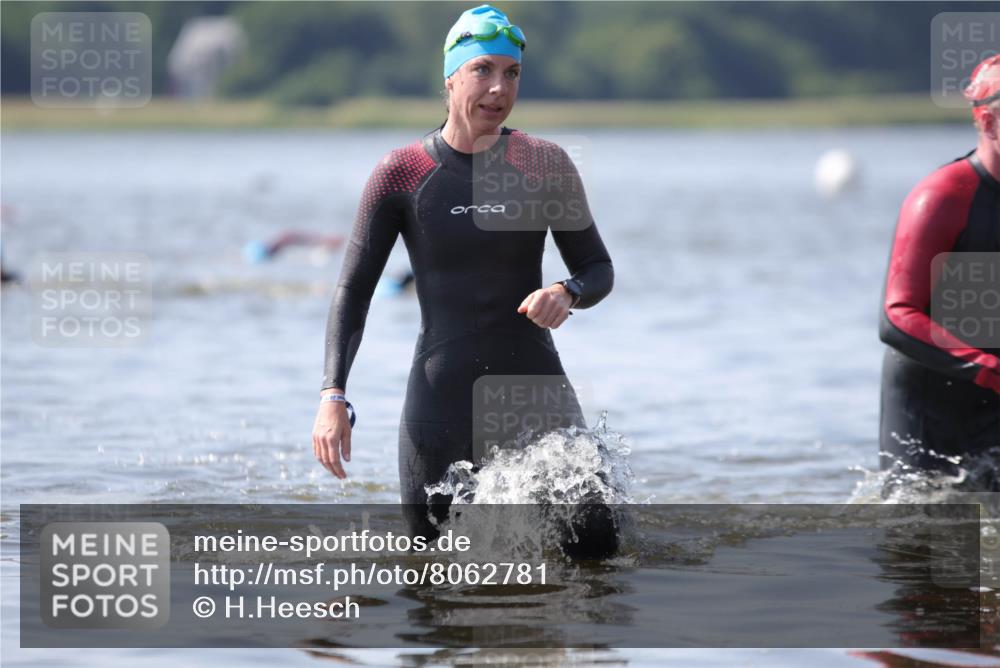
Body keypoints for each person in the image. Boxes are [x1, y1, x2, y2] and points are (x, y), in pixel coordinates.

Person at [310, 5, 616, 555]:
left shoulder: (544, 164)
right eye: (483, 71)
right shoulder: (401, 174)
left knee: (597, 555)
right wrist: (334, 394)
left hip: (536, 396)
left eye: (512, 72)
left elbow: (598, 268)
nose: (499, 88)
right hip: (440, 404)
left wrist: (566, 292)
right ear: (449, 77)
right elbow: (352, 292)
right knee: (433, 577)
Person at [878, 54, 1000, 488]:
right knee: (924, 543)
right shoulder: (943, 197)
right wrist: (984, 365)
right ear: (988, 123)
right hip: (930, 406)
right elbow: (897, 316)